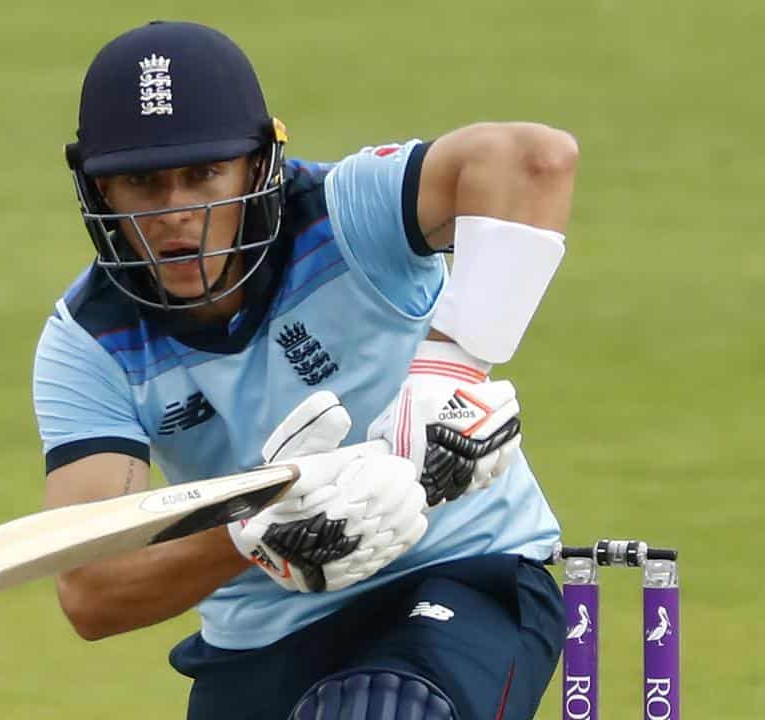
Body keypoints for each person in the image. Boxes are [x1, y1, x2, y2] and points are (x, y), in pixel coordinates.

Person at [34, 20, 577, 720]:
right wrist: (253, 536)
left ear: (259, 165)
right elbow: (92, 592)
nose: (177, 215)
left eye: (203, 174)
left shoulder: (345, 214)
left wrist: (454, 370)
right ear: (100, 190)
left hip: (458, 575)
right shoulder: (90, 341)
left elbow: (536, 160)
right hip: (267, 637)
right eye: (142, 183)